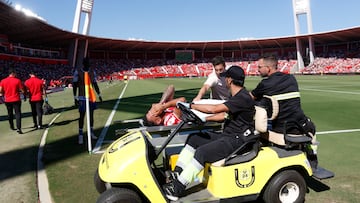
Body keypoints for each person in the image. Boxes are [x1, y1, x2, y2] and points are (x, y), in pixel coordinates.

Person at [163, 66, 256, 201]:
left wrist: (190, 106)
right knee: (194, 138)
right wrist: (204, 119)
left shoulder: (242, 98)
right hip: (229, 135)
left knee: (202, 152)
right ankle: (178, 173)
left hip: (238, 140)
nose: (224, 79)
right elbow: (224, 115)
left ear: (229, 80)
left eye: (226, 77)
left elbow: (214, 109)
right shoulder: (236, 96)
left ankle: (177, 188)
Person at [250, 54, 318, 169]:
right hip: (301, 125)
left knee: (256, 124)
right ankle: (312, 155)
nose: (258, 70)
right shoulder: (291, 78)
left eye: (260, 67)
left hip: (282, 128)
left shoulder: (265, 84)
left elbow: (250, 97)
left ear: (268, 68)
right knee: (310, 124)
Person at [74, 57, 102, 144]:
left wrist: (99, 94)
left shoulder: (92, 72)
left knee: (91, 115)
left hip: (90, 97)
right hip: (82, 97)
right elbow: (74, 85)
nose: (88, 64)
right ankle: (81, 135)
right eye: (87, 63)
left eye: (89, 63)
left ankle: (91, 132)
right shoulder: (77, 72)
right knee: (82, 116)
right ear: (83, 64)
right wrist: (75, 97)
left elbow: (95, 83)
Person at [0, 69, 26, 134]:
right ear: (13, 73)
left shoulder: (3, 81)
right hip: (16, 99)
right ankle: (18, 128)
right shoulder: (17, 80)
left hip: (7, 100)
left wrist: (4, 93)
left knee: (10, 113)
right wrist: (22, 92)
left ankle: (11, 126)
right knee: (18, 113)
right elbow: (22, 90)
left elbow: (0, 90)